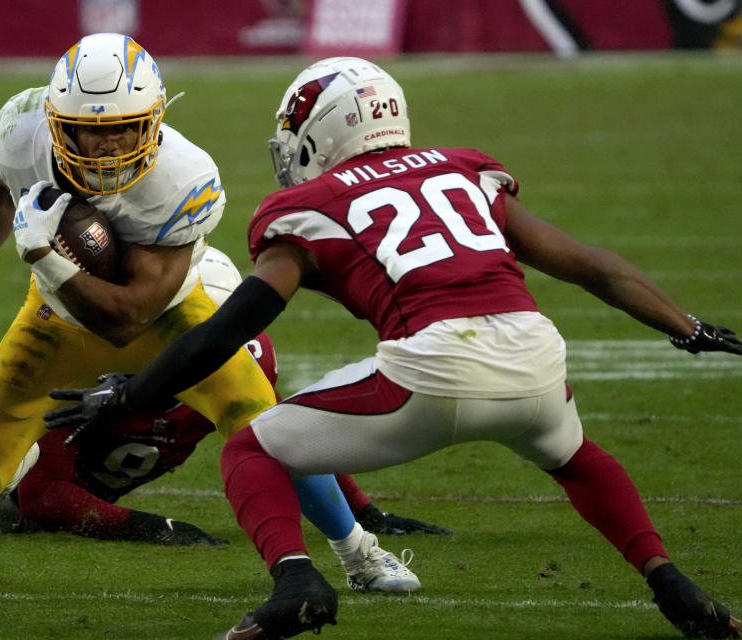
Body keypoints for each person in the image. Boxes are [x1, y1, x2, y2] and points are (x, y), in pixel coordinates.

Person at [45, 57, 742, 639]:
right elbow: (596, 266)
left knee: (253, 448)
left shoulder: (312, 204)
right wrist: (690, 328)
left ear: (322, 128)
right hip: (535, 354)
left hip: (431, 368)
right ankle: (668, 579)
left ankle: (296, 582)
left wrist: (133, 395)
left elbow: (234, 325)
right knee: (578, 458)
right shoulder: (467, 169)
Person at [0, 69, 417, 590]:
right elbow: (1, 185)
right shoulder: (19, 128)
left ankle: (360, 554)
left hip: (169, 319)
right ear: (57, 125)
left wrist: (45, 255)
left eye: (123, 128)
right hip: (54, 322)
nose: (107, 145)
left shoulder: (183, 175)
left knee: (269, 426)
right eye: (90, 129)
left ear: (152, 120)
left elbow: (131, 317)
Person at [0, 249, 453, 543]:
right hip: (4, 435)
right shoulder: (99, 353)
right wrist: (150, 528)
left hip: (24, 497)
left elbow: (289, 439)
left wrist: (365, 516)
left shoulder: (241, 363)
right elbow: (47, 487)